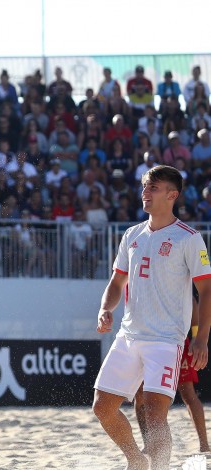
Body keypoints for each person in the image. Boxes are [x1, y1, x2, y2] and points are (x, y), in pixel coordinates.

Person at [93, 165, 211, 470]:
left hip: (166, 341)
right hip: (129, 337)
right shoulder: (132, 234)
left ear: (172, 195)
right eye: (145, 186)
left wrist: (200, 338)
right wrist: (106, 308)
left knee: (156, 417)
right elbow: (116, 283)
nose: (145, 192)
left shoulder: (189, 238)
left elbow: (206, 290)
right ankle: (137, 459)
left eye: (153, 188)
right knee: (102, 409)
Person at [134, 291, 210, 455]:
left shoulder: (173, 277)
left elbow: (193, 304)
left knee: (188, 393)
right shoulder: (143, 280)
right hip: (147, 341)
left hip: (176, 342)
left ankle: (204, 446)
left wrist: (196, 338)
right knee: (140, 394)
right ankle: (148, 444)